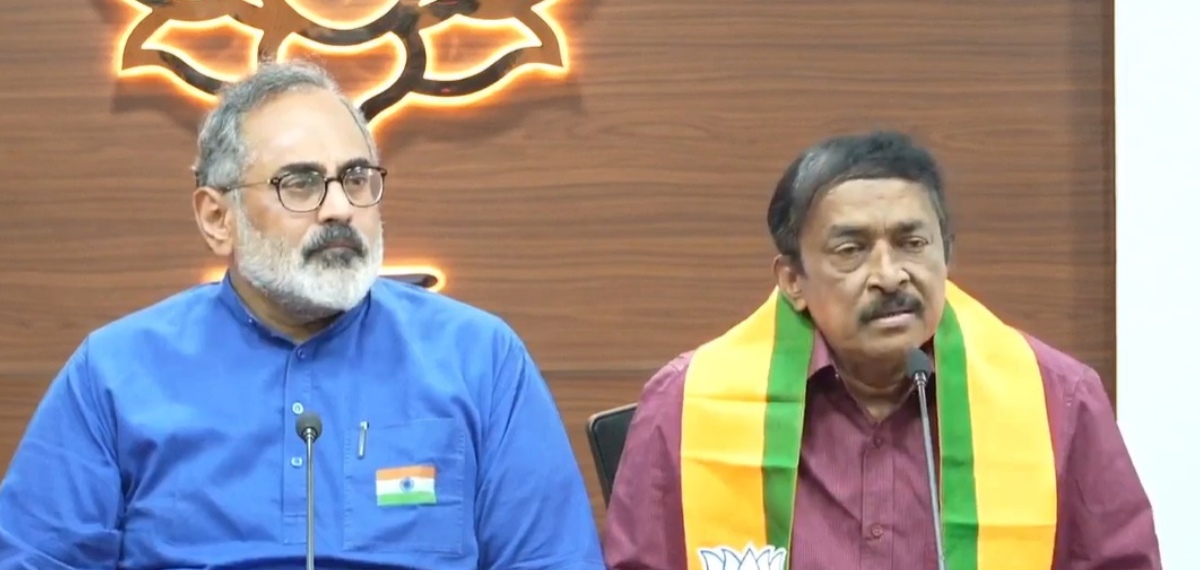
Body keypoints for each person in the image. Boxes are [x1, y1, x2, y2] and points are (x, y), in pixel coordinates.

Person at [0, 59, 603, 570]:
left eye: (356, 178)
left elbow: (553, 559)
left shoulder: (479, 358)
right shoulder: (116, 372)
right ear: (218, 218)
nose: (339, 208)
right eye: (300, 183)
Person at [602, 131, 1160, 570]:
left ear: (947, 255)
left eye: (912, 243)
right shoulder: (687, 404)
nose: (890, 275)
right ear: (793, 281)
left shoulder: (1057, 400)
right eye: (851, 249)